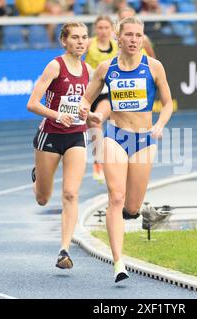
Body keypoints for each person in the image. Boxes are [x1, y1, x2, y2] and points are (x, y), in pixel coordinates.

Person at [79, 17, 173, 283]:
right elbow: (85, 101)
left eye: (138, 35)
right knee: (116, 197)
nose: (134, 40)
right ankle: (118, 262)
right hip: (115, 136)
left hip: (144, 139)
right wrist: (90, 115)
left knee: (131, 206)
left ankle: (133, 214)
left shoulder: (154, 67)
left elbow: (167, 104)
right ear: (117, 38)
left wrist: (160, 124)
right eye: (129, 35)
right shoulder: (106, 69)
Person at [26, 22, 91, 270]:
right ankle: (38, 177)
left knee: (71, 193)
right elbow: (32, 104)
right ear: (64, 41)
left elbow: (89, 105)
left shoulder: (89, 70)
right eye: (75, 37)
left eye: (84, 37)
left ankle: (64, 249)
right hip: (50, 135)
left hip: (76, 136)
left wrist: (91, 115)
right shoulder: (55, 66)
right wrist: (55, 115)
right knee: (43, 198)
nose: (80, 42)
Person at [85, 16, 118, 183]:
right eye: (100, 28)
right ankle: (99, 157)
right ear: (95, 29)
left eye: (106, 28)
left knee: (97, 120)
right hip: (90, 93)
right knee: (91, 125)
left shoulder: (118, 45)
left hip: (108, 93)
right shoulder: (89, 43)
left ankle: (100, 161)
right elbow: (71, 56)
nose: (103, 31)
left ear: (112, 29)